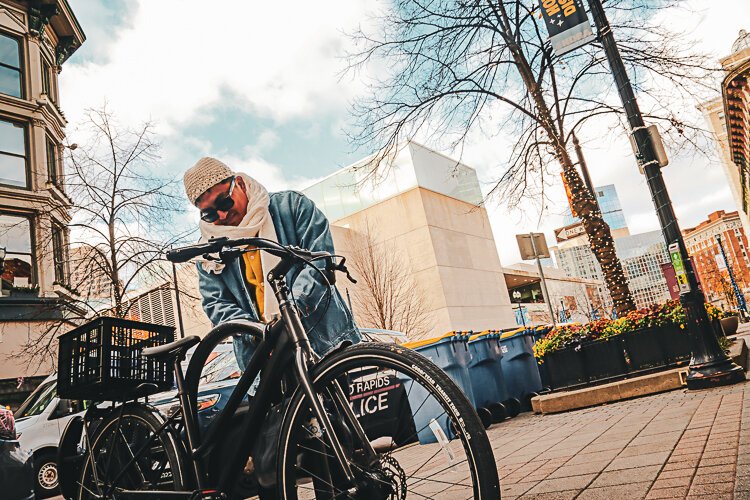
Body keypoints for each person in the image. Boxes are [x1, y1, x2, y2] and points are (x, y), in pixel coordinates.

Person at [183, 157, 360, 369]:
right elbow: (215, 303)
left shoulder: (293, 206)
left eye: (224, 202)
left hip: (327, 345)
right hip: (265, 363)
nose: (222, 214)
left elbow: (319, 259)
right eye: (210, 214)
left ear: (239, 183)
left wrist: (290, 314)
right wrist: (258, 333)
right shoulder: (208, 252)